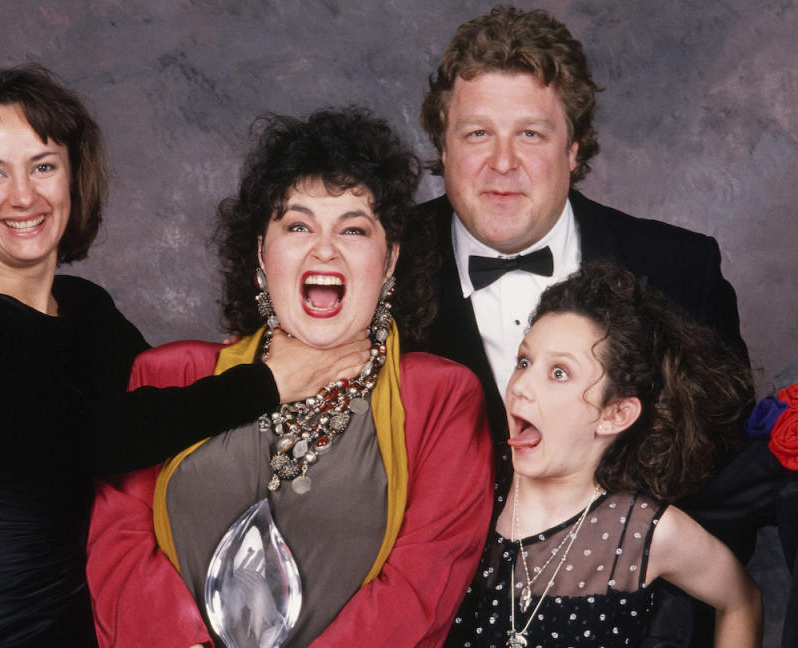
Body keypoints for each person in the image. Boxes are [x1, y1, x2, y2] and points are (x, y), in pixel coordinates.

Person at [0, 65, 369, 648]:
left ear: (73, 176)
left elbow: (172, 408)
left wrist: (292, 341)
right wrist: (267, 380)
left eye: (44, 166)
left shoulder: (84, 307)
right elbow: (100, 441)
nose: (24, 196)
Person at [408, 7, 788, 645]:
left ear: (574, 147)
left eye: (531, 134)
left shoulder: (680, 268)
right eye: (477, 134)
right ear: (443, 144)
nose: (502, 163)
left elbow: (725, 499)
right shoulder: (371, 265)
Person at [85, 108, 495, 647]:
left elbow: (421, 592)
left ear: (390, 258)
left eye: (353, 228)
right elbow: (119, 555)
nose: (324, 249)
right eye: (298, 225)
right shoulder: (169, 373)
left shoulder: (441, 398)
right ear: (261, 251)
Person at [444, 263, 762, 648]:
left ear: (616, 415)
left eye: (559, 373)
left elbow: (741, 602)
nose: (521, 385)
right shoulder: (465, 492)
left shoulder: (646, 531)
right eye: (524, 362)